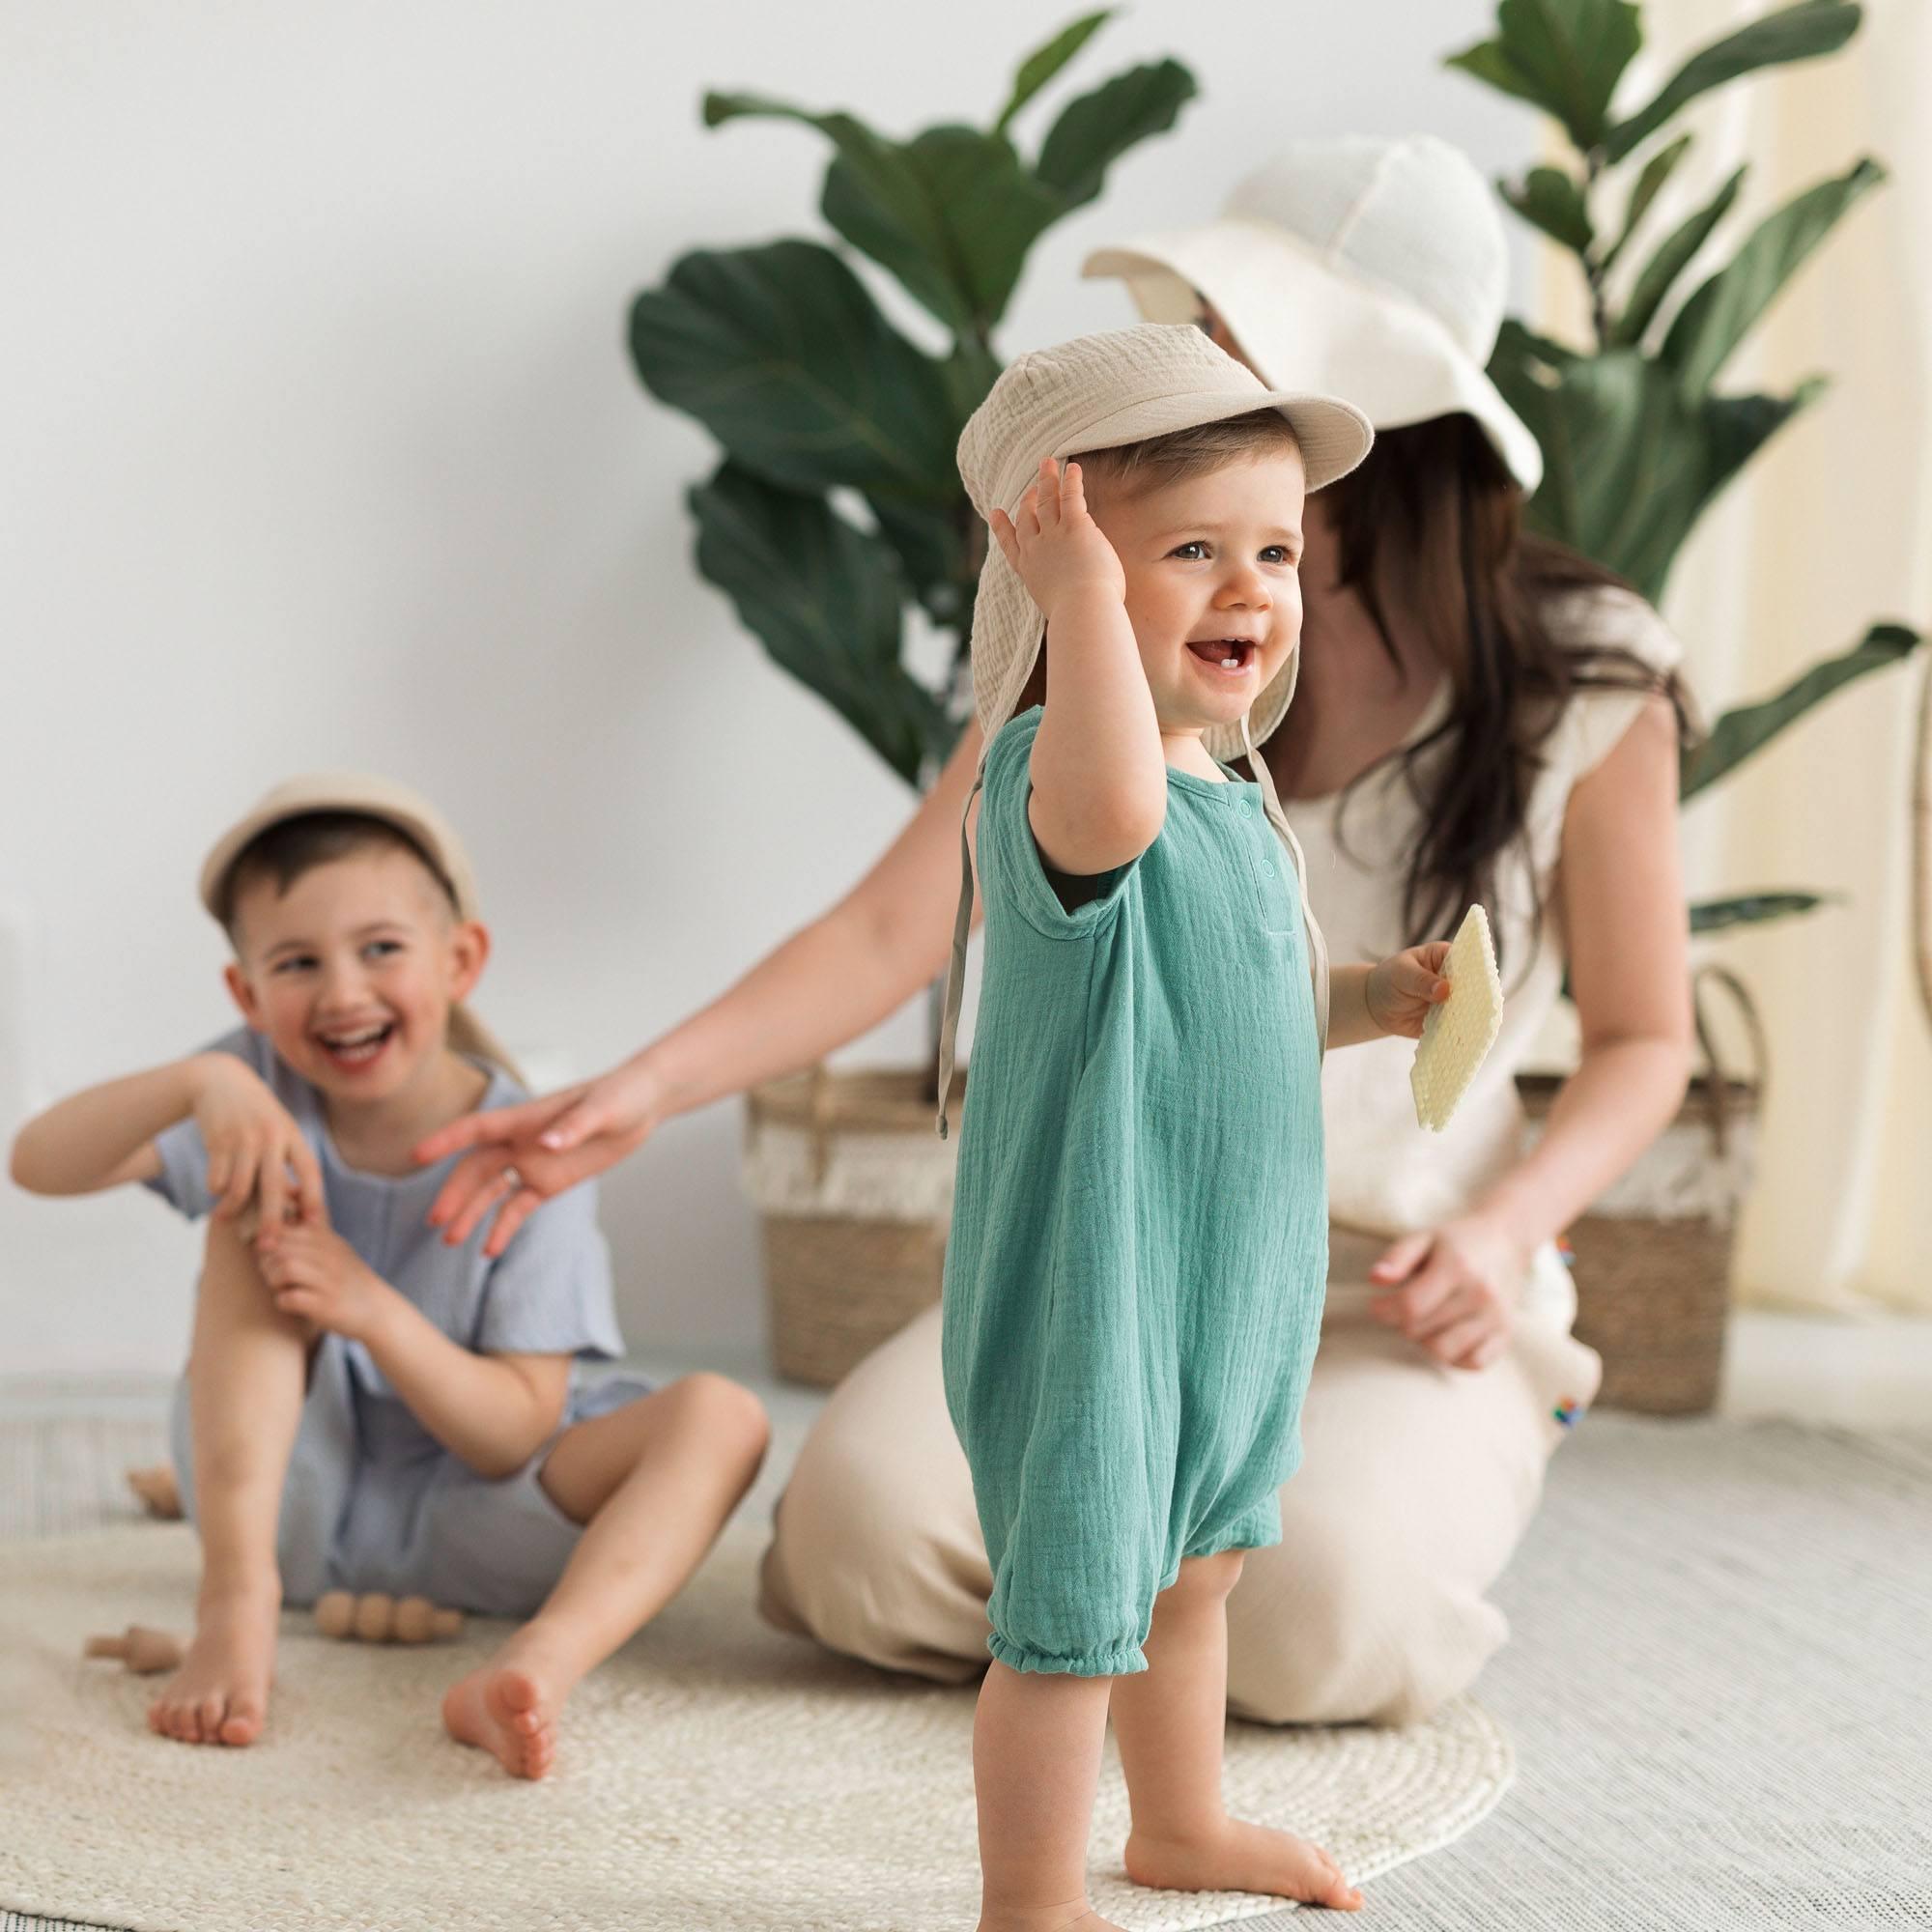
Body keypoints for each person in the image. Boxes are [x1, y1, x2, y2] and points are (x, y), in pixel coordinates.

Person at [415, 135, 1695, 1733]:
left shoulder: (1586, 674)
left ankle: (1190, 1582)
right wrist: (635, 1093)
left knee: (1317, 1623)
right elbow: (898, 922)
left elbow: (1648, 1042)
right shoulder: (1106, 657)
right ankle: (1098, 1626)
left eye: (1239, 350)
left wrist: (1507, 1239)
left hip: (1396, 1288)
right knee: (859, 1556)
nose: (1196, 386)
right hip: (1106, 1260)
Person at [933, 323, 1434, 1922]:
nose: (1252, 590)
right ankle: (1032, 1897)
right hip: (1098, 1290)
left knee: (1199, 1567)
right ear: (1059, 562)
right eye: (1193, 552)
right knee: (1073, 1612)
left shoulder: (1224, 797)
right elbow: (1106, 819)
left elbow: (1241, 1008)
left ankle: (1178, 1822)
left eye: (1277, 551)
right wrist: (1080, 603)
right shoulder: (1054, 778)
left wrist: (1372, 996)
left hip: (1233, 1287)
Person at [8, 774, 769, 1776]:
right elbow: (37, 1162)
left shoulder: (529, 1150)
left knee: (723, 1413)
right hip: (285, 1511)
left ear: (460, 960)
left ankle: (532, 1666)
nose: (342, 992)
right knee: (256, 1201)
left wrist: (369, 1307)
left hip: (479, 1523)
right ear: (245, 994)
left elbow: (511, 1435)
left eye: (380, 949)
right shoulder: (253, 1091)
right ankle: (234, 1602)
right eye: (296, 961)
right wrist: (205, 1080)